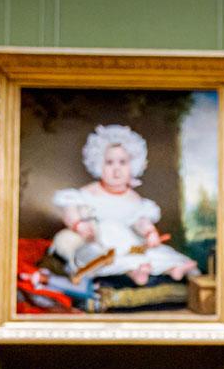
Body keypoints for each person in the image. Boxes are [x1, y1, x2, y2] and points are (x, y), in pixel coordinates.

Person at [48, 124, 201, 289]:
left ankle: (173, 268)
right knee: (99, 256)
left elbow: (140, 220)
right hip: (101, 242)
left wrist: (150, 232)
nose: (116, 169)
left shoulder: (133, 198)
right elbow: (71, 211)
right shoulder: (90, 192)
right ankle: (134, 272)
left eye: (123, 162)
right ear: (98, 164)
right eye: (109, 163)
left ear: (133, 165)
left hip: (131, 244)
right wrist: (79, 225)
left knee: (155, 253)